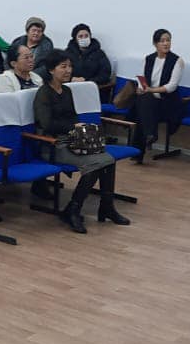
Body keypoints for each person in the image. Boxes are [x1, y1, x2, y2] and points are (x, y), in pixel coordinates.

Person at [34, 50, 130, 233]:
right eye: (63, 67)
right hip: (53, 144)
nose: (68, 70)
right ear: (51, 70)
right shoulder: (44, 93)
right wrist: (73, 126)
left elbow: (73, 117)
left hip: (71, 139)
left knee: (108, 160)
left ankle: (107, 207)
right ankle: (73, 209)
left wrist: (77, 128)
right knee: (96, 164)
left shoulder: (67, 90)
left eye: (70, 66)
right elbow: (47, 124)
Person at [129, 29, 185, 159]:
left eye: (168, 40)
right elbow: (141, 78)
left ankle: (138, 151)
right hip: (149, 101)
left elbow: (171, 86)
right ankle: (150, 134)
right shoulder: (148, 59)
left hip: (167, 103)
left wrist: (150, 90)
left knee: (142, 108)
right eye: (162, 41)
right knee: (144, 101)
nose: (166, 43)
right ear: (155, 44)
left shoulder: (177, 61)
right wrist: (141, 88)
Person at [66, 23, 112, 88]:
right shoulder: (67, 53)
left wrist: (86, 80)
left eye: (86, 36)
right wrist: (71, 79)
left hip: (93, 87)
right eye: (80, 36)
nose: (84, 38)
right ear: (75, 39)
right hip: (70, 86)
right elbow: (60, 72)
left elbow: (105, 74)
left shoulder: (99, 53)